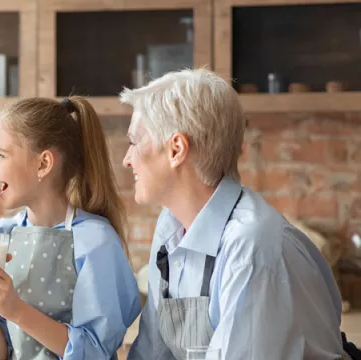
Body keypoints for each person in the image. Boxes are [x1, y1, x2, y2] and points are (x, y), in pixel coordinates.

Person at [121, 68, 351, 360]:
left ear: (176, 149)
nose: (127, 160)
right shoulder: (171, 226)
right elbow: (152, 353)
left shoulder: (252, 248)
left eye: (134, 142)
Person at [0, 97, 142, 359]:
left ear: (43, 163)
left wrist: (15, 309)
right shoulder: (4, 233)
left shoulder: (95, 240)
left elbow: (95, 352)